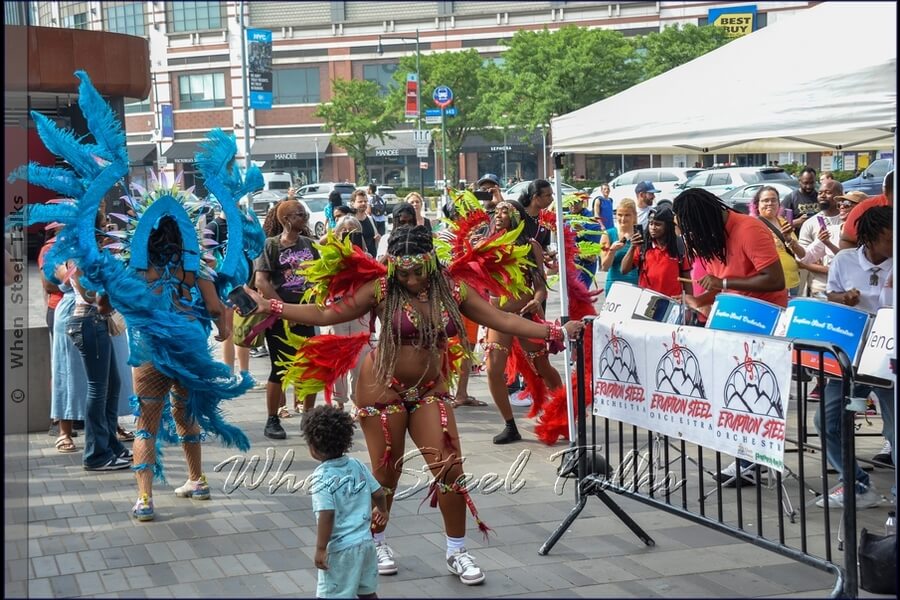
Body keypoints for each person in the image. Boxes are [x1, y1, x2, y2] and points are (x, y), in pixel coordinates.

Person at [243, 225, 585, 585]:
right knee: (386, 472)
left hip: (430, 390)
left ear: (432, 262)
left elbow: (501, 319)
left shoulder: (453, 290)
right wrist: (274, 306)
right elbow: (329, 314)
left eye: (416, 271)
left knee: (450, 469)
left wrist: (555, 331)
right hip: (381, 388)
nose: (408, 278)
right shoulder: (380, 288)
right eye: (401, 271)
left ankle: (457, 550)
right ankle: (377, 541)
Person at [673, 188, 787, 486]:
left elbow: (775, 278)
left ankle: (754, 461)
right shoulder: (714, 237)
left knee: (754, 394)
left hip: (762, 323)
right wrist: (696, 300)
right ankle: (748, 460)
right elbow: (716, 284)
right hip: (734, 323)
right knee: (735, 395)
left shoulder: (749, 228)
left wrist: (723, 282)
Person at [817, 206, 894, 508]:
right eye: (890, 240)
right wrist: (842, 296)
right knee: (827, 421)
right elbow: (831, 295)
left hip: (888, 355)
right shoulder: (844, 260)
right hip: (852, 356)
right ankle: (856, 485)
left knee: (894, 428)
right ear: (871, 239)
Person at [303, 406, 387, 599]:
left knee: (333, 594)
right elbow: (379, 492)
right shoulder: (356, 465)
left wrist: (321, 548)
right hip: (366, 544)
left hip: (341, 550)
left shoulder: (321, 477)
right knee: (367, 591)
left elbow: (327, 513)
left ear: (313, 448)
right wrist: (382, 510)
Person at [254, 199, 319, 438]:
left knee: (311, 367)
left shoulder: (309, 245)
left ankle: (309, 417)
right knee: (281, 369)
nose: (304, 218)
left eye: (304, 214)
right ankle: (272, 419)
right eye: (299, 214)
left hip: (308, 314)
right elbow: (261, 281)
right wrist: (283, 309)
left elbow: (321, 274)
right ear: (286, 219)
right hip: (280, 318)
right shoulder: (271, 245)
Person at [620, 205, 691, 297]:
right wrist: (632, 247)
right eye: (651, 224)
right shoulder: (643, 246)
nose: (653, 227)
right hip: (646, 301)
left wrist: (690, 305)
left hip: (672, 302)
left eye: (658, 224)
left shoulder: (678, 246)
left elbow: (686, 277)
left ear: (668, 226)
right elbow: (624, 270)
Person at [752, 186, 806, 297]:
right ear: (757, 204)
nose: (770, 203)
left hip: (792, 281)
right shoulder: (753, 225)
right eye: (765, 200)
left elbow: (802, 254)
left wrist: (789, 239)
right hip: (772, 284)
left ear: (779, 203)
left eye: (773, 200)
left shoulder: (783, 222)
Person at [796, 180, 843, 298]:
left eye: (828, 192)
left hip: (846, 285)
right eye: (820, 192)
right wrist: (827, 270)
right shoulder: (810, 223)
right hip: (820, 286)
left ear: (840, 195)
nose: (822, 195)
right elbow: (801, 260)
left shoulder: (848, 221)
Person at [840, 170, 893, 249]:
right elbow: (846, 241)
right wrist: (864, 260)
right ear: (886, 192)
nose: (842, 206)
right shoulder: (866, 208)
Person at [599, 198, 640, 296]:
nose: (623, 219)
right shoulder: (608, 234)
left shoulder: (640, 235)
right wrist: (612, 251)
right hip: (614, 285)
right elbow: (604, 267)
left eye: (627, 215)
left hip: (636, 285)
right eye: (620, 215)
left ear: (634, 216)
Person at [566, 193, 603, 290]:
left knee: (581, 293)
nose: (573, 205)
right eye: (571, 203)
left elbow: (597, 238)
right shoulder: (565, 218)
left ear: (582, 203)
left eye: (576, 203)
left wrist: (584, 231)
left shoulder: (590, 218)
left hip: (585, 264)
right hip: (569, 263)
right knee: (569, 295)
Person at [781, 166, 819, 232]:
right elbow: (780, 222)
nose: (808, 186)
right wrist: (798, 221)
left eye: (811, 183)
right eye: (806, 183)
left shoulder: (820, 197)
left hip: (817, 237)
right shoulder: (790, 198)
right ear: (799, 181)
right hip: (798, 238)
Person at [352, 189, 380, 256]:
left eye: (365, 201)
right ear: (353, 203)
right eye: (360, 201)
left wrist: (378, 238)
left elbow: (376, 237)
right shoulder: (350, 222)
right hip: (357, 260)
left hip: (372, 260)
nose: (363, 203)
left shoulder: (371, 220)